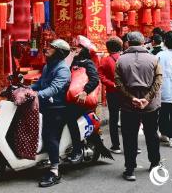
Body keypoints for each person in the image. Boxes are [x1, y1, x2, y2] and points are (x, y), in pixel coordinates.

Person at [115, 31, 162, 181]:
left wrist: (132, 98)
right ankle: (154, 163)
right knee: (152, 134)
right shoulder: (153, 59)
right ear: (143, 43)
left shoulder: (121, 60)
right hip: (150, 105)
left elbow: (118, 83)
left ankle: (130, 169)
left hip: (129, 104)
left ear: (128, 43)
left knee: (129, 136)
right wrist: (147, 98)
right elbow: (158, 81)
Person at [31, 39, 71, 187]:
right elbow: (40, 83)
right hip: (45, 106)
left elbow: (54, 88)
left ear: (59, 52)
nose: (46, 49)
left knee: (49, 136)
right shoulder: (48, 66)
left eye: (51, 48)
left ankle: (55, 170)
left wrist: (37, 94)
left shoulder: (62, 69)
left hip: (57, 108)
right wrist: (27, 88)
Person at [66, 35, 100, 163]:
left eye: (79, 47)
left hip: (81, 101)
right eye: (76, 47)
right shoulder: (74, 61)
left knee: (69, 118)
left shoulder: (88, 63)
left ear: (85, 49)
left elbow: (95, 79)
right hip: (71, 98)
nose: (76, 49)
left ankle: (77, 149)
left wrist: (85, 91)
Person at [98, 36, 122, 153]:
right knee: (128, 118)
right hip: (126, 93)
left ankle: (116, 146)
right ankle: (133, 145)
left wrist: (112, 84)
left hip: (113, 93)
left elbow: (101, 76)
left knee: (113, 118)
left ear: (108, 49)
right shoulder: (125, 58)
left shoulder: (105, 60)